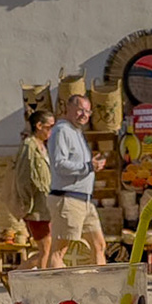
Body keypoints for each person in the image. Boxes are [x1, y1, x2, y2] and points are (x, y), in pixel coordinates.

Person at [43, 89, 106, 267]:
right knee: (59, 250)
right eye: (80, 110)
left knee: (99, 245)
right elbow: (59, 164)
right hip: (68, 198)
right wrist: (87, 166)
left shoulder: (77, 132)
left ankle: (99, 288)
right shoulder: (62, 130)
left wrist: (93, 165)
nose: (84, 115)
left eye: (87, 111)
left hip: (84, 200)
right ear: (68, 109)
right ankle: (59, 290)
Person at [9, 106, 56, 267]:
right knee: (45, 248)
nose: (51, 131)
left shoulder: (43, 146)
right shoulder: (29, 146)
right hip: (35, 208)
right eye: (49, 127)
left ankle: (17, 276)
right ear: (39, 126)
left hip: (46, 205)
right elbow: (22, 178)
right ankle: (39, 283)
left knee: (48, 249)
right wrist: (26, 204)